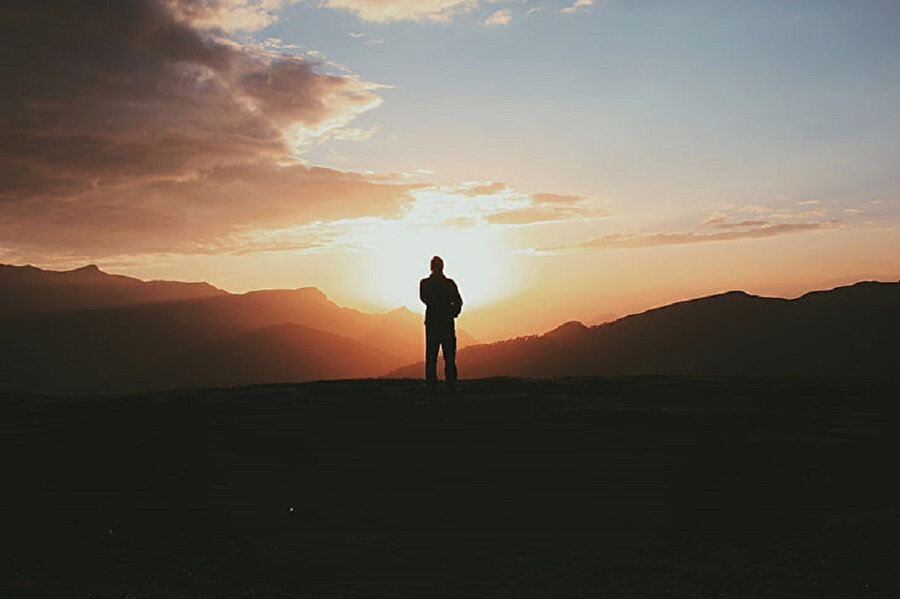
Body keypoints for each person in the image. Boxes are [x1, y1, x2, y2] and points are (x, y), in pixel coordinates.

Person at [419, 256, 463, 392]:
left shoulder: (425, 283)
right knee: (449, 356)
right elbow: (458, 301)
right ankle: (451, 384)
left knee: (431, 356)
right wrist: (452, 313)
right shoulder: (449, 284)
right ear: (442, 267)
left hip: (433, 323)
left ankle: (431, 385)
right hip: (446, 323)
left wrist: (440, 308)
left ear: (431, 267)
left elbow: (424, 298)